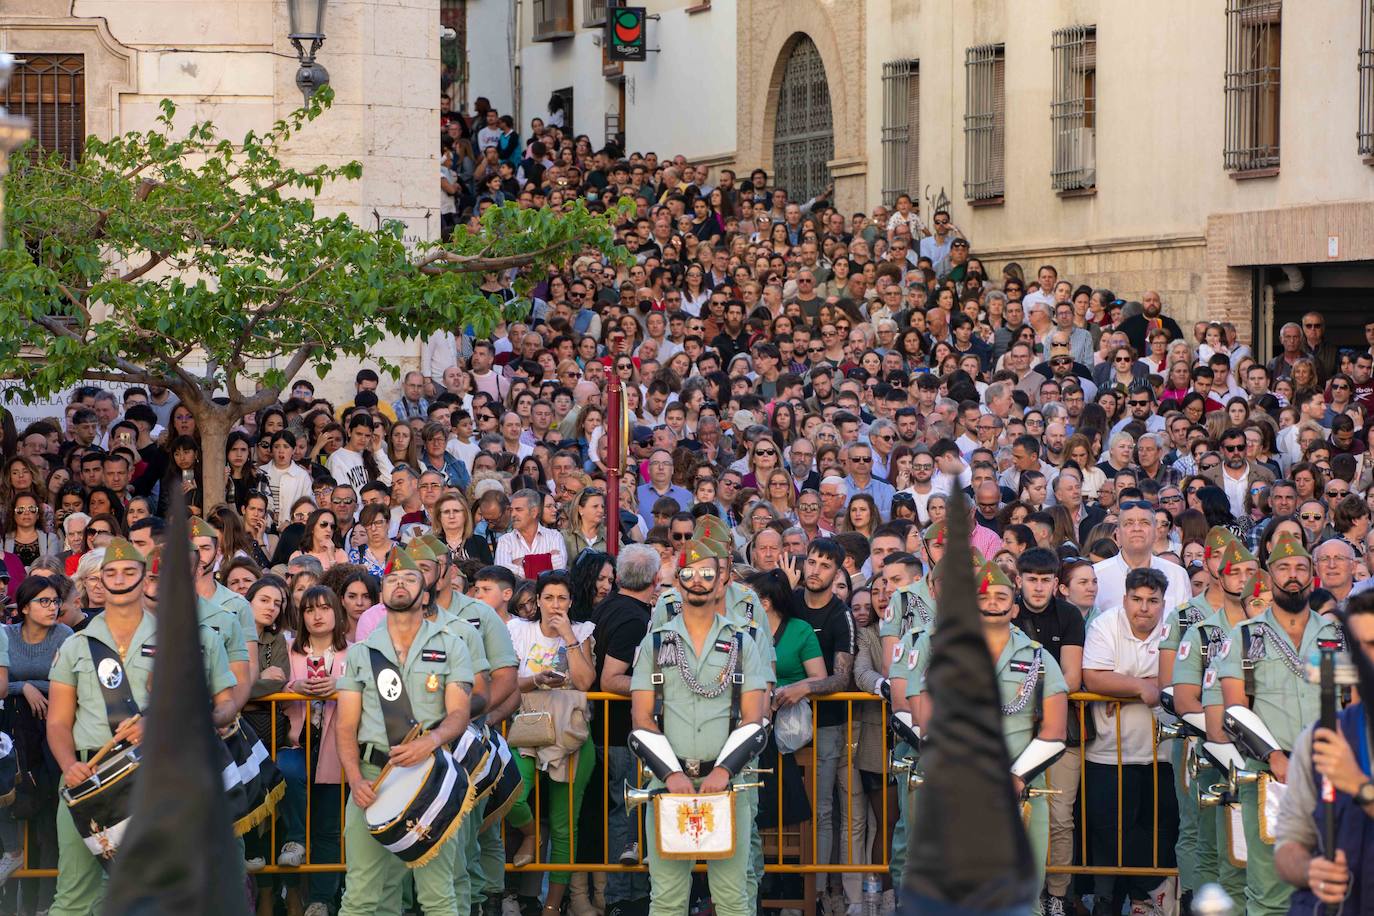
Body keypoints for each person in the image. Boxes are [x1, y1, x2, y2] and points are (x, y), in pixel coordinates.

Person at [47, 538, 238, 915]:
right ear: (97, 582)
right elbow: (57, 720)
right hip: (88, 781)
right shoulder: (75, 645)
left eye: (129, 572)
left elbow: (214, 708)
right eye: (111, 573)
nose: (119, 579)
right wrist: (69, 765)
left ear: (144, 579)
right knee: (75, 897)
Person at [906, 560, 1069, 916]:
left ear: (1014, 606)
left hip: (1023, 795)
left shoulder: (1040, 659)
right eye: (984, 595)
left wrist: (1014, 778)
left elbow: (1055, 731)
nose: (993, 602)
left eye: (1001, 596)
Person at [628, 535, 768, 916]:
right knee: (668, 898)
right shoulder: (656, 643)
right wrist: (671, 773)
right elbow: (641, 719)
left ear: (723, 579)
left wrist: (724, 770)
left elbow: (754, 719)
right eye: (689, 572)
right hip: (667, 786)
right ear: (677, 580)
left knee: (733, 897)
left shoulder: (743, 641)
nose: (698, 580)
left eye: (708, 572)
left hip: (728, 787)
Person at [333, 548, 473, 916]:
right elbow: (345, 726)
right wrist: (353, 779)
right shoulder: (363, 653)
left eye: (410, 578)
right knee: (361, 895)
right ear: (382, 595)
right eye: (392, 579)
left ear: (424, 594)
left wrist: (430, 741)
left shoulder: (451, 643)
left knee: (437, 895)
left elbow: (459, 714)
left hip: (431, 776)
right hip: (371, 779)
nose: (399, 584)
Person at [1216, 532, 1343, 916]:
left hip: (1332, 775)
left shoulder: (1337, 634)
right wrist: (1273, 756)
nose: (1293, 575)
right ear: (1269, 577)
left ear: (1312, 578)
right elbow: (1234, 708)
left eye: (1301, 568)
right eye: (1284, 568)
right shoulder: (1243, 636)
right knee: (1270, 890)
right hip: (1272, 775)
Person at [1082, 567, 1179, 915]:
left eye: (1153, 601)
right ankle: (1139, 892)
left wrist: (1122, 684)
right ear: (1124, 599)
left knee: (1161, 830)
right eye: (1137, 599)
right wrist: (1141, 687)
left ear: (1163, 603)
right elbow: (1092, 675)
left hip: (1164, 753)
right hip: (1109, 751)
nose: (1144, 608)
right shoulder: (1104, 624)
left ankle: (1145, 900)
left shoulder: (1175, 626)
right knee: (1110, 829)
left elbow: (1176, 679)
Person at [1273, 589, 1374, 909]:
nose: (1366, 658)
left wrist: (1357, 785)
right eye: (1358, 648)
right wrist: (1309, 870)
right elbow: (1289, 843)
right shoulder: (1323, 737)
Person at [504, 571, 595, 914]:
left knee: (563, 824)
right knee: (513, 794)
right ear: (537, 600)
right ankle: (530, 833)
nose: (555, 605)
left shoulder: (582, 631)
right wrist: (535, 680)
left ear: (570, 602)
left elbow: (585, 681)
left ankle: (552, 907)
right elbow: (508, 679)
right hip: (528, 727)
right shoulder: (518, 630)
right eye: (549, 597)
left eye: (562, 598)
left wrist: (568, 635)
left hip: (569, 733)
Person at [589, 545, 657, 911]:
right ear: (656, 578)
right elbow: (610, 679)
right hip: (621, 736)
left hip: (615, 733)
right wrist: (658, 687)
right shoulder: (632, 618)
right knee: (627, 815)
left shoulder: (611, 607)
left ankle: (627, 895)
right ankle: (623, 898)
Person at [281, 585, 348, 916]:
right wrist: (294, 687)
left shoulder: (355, 653)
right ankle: (294, 844)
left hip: (337, 750)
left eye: (324, 607)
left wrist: (342, 686)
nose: (317, 615)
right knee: (288, 777)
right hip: (297, 744)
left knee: (328, 827)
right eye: (309, 610)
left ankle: (322, 899)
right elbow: (273, 684)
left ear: (336, 612)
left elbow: (365, 685)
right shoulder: (290, 653)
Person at [494, 489, 567, 579]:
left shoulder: (555, 536)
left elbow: (559, 567)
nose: (513, 514)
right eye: (511, 510)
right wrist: (546, 561)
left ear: (534, 512)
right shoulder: (505, 540)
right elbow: (503, 573)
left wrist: (523, 562)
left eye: (518, 510)